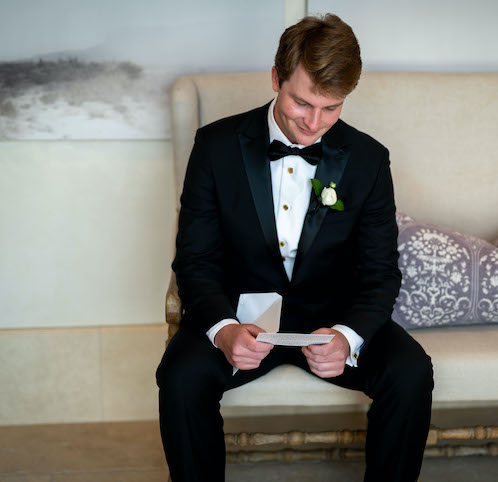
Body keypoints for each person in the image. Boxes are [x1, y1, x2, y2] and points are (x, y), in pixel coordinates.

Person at [156, 13, 433, 482]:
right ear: (275, 78)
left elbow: (381, 271)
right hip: (239, 315)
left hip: (332, 318)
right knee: (180, 377)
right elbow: (195, 259)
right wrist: (224, 330)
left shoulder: (369, 160)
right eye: (302, 103)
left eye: (332, 108)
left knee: (411, 372)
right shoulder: (215, 146)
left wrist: (347, 336)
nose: (314, 124)